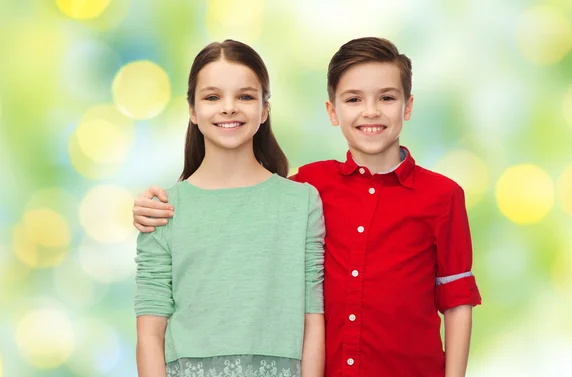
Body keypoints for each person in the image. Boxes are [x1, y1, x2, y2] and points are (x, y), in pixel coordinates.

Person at [133, 37, 482, 377]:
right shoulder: (311, 186)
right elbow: (240, 201)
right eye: (354, 99)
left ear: (408, 106)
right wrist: (146, 206)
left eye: (387, 98)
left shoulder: (440, 195)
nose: (371, 111)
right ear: (332, 110)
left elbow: (457, 301)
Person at [134, 39, 325, 377]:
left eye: (245, 96)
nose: (229, 107)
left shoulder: (302, 203)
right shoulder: (162, 209)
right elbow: (150, 333)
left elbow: (312, 319)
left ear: (264, 109)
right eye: (212, 97)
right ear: (192, 110)